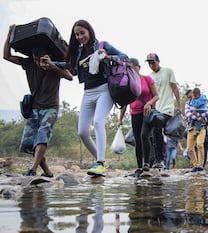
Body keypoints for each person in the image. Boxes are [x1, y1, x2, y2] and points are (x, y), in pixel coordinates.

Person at [3, 25, 73, 177]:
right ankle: (47, 171)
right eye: (35, 59)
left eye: (40, 59)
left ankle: (33, 169)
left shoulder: (54, 65)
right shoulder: (28, 63)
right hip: (35, 108)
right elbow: (6, 56)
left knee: (42, 135)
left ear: (47, 56)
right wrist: (9, 34)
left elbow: (70, 76)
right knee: (28, 143)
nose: (37, 62)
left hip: (51, 107)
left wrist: (52, 66)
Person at [65, 19, 129, 176]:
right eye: (77, 34)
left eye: (82, 33)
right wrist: (51, 63)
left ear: (89, 31)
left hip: (104, 90)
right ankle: (101, 161)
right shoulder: (79, 52)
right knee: (82, 132)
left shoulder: (102, 45)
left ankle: (100, 163)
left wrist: (107, 57)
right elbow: (70, 68)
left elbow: (125, 57)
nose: (80, 37)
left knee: (99, 122)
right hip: (87, 92)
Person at [118, 58, 159, 177]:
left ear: (139, 67)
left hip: (147, 112)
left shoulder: (147, 79)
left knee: (144, 136)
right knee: (137, 139)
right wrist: (120, 119)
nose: (132, 70)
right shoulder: (127, 82)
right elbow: (124, 103)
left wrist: (148, 103)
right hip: (134, 113)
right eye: (129, 68)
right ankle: (139, 166)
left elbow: (156, 96)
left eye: (133, 67)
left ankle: (147, 163)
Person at [145, 53, 182, 169]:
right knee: (150, 134)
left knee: (157, 130)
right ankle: (152, 159)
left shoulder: (168, 71)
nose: (151, 65)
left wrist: (179, 105)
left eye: (153, 62)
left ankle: (160, 160)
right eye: (149, 63)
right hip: (155, 109)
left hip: (167, 108)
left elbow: (175, 88)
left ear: (158, 61)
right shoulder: (149, 77)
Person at [184, 89, 208, 172]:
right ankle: (195, 165)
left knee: (200, 144)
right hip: (191, 127)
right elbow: (188, 114)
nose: (192, 97)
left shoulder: (204, 102)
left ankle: (200, 164)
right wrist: (200, 117)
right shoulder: (188, 103)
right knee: (189, 148)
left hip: (202, 127)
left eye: (193, 96)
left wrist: (197, 114)